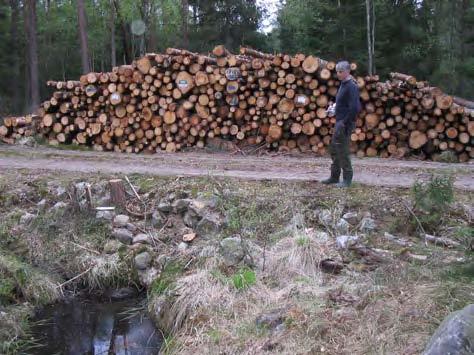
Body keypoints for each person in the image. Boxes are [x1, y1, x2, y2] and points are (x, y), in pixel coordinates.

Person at [321, 61, 361, 188]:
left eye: (340, 71)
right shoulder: (343, 84)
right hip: (339, 121)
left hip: (344, 123)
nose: (338, 74)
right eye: (337, 71)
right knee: (334, 149)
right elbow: (342, 104)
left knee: (342, 151)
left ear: (348, 71)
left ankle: (347, 180)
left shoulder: (351, 86)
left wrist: (344, 122)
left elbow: (355, 108)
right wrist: (333, 109)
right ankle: (334, 177)